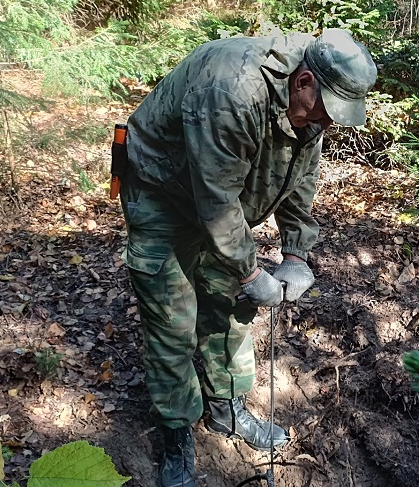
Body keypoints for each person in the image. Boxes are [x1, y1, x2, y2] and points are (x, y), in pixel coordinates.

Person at [116, 28, 377, 487]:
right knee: (173, 322)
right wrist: (252, 270)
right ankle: (177, 436)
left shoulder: (312, 109)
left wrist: (296, 253)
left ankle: (227, 410)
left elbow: (300, 174)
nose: (328, 123)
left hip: (222, 203)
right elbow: (214, 201)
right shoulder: (231, 90)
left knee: (232, 307)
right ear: (304, 82)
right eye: (326, 109)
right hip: (162, 191)